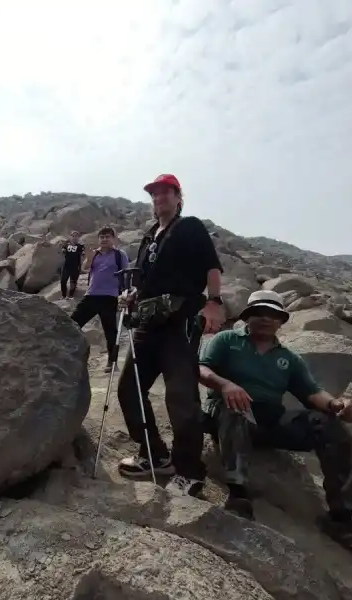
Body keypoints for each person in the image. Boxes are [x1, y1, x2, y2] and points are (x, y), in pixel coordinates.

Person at [198, 290, 352, 578]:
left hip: (270, 420)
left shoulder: (288, 358)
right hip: (228, 413)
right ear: (247, 316)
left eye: (273, 314)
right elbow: (202, 368)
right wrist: (225, 384)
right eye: (259, 312)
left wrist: (336, 404)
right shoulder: (227, 340)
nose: (266, 319)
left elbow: (311, 392)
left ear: (282, 321)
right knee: (236, 408)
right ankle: (239, 496)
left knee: (328, 424)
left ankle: (344, 519)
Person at [116, 173, 225, 498]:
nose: (159, 198)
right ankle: (154, 454)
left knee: (181, 399)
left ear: (178, 197)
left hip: (180, 323)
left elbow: (212, 267)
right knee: (129, 390)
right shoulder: (150, 236)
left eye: (165, 193)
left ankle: (190, 471)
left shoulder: (190, 226)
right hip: (149, 326)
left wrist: (214, 303)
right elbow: (145, 282)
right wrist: (130, 296)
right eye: (154, 194)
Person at [70, 227, 129, 373]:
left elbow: (126, 274)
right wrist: (89, 258)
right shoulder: (95, 254)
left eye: (107, 237)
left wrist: (125, 293)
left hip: (109, 297)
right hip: (91, 295)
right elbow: (85, 268)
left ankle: (112, 362)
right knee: (73, 322)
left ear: (113, 239)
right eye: (101, 237)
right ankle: (70, 355)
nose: (104, 239)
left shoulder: (119, 255)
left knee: (111, 332)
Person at [60, 231, 84, 300]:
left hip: (75, 267)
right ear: (70, 237)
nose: (74, 237)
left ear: (78, 237)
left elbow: (83, 253)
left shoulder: (80, 246)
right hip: (66, 266)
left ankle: (70, 296)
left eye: (76, 236)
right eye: (73, 236)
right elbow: (62, 251)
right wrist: (63, 250)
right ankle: (63, 296)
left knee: (73, 282)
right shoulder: (66, 245)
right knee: (63, 281)